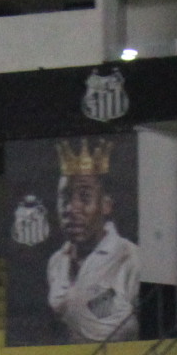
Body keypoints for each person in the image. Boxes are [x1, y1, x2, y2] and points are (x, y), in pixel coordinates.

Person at [46, 138, 139, 344]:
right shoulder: (56, 262)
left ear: (106, 205)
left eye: (85, 197)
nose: (72, 208)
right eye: (65, 198)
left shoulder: (130, 257)